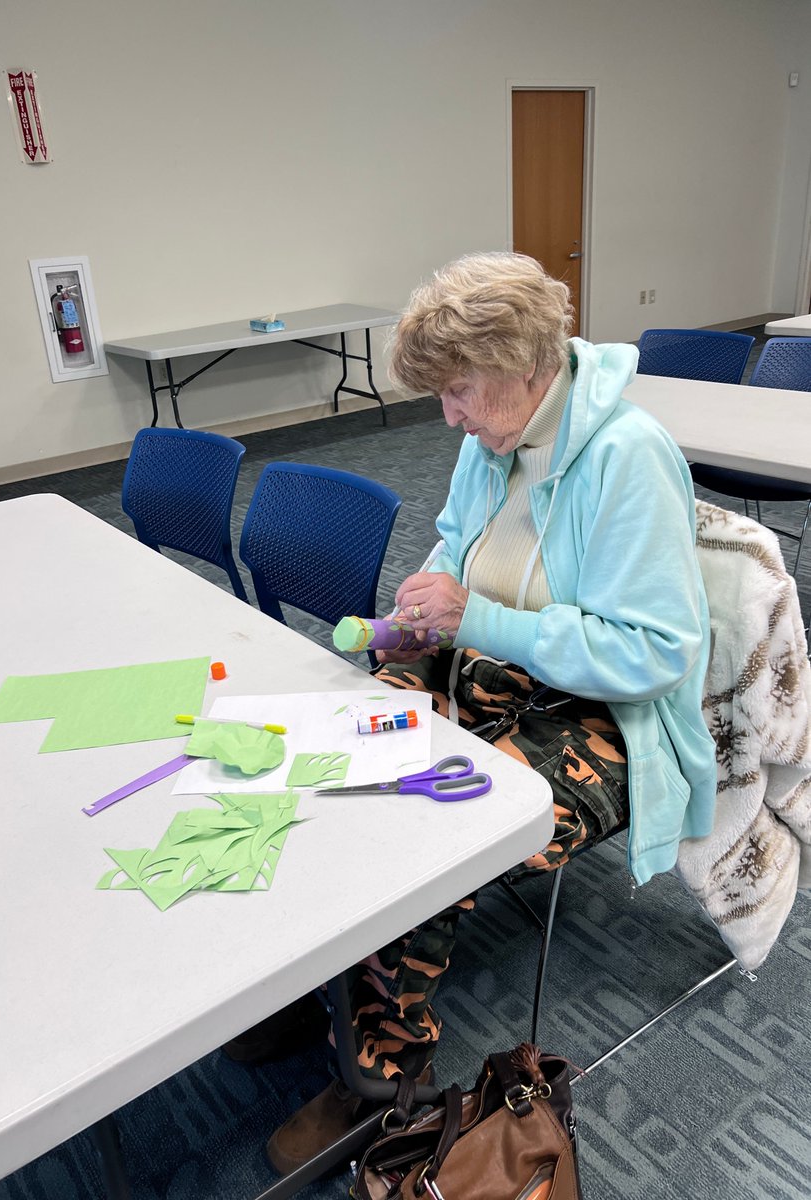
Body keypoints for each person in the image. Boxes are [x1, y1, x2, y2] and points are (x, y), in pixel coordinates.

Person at [262, 251, 718, 1173]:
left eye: (461, 391)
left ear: (524, 364)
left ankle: (384, 1086)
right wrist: (418, 615)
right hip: (487, 657)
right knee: (332, 759)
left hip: (601, 716)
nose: (451, 419)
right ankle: (310, 983)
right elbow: (458, 543)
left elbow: (658, 655)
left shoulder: (630, 459)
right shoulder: (494, 436)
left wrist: (483, 620)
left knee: (434, 829)